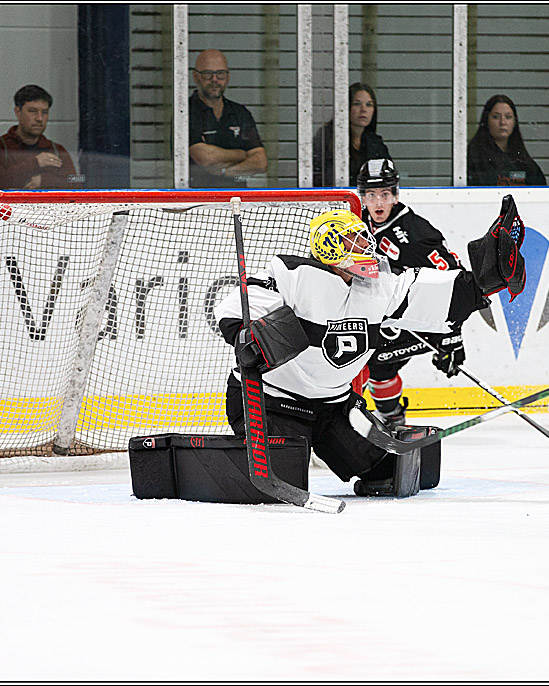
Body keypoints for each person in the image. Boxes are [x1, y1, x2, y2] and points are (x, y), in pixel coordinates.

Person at [213, 200, 527, 496]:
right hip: (270, 402)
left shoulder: (378, 287)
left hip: (334, 409)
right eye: (355, 240)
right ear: (330, 245)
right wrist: (249, 337)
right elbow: (233, 308)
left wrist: (484, 281)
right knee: (280, 481)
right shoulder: (291, 274)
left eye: (365, 238)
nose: (366, 245)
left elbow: (428, 294)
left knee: (391, 473)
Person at [356, 158, 466, 428]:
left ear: (395, 195)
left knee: (371, 360)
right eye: (371, 195)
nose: (378, 202)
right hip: (376, 316)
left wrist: (452, 336)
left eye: (384, 194)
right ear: (362, 197)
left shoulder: (415, 234)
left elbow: (457, 283)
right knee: (373, 365)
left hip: (414, 321)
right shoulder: (355, 221)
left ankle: (389, 420)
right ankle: (389, 417)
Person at [188, 49, 267, 188]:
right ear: (195, 77)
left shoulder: (239, 113)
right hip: (197, 197)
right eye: (207, 73)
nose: (214, 79)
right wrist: (242, 154)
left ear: (228, 77)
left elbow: (260, 162)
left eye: (220, 73)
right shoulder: (185, 113)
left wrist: (225, 172)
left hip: (236, 198)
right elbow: (205, 158)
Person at [0, 85, 80, 190]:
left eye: (44, 112)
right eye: (32, 111)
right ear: (18, 112)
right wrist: (35, 163)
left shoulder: (57, 150)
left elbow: (76, 183)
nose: (39, 118)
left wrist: (44, 181)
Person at [313, 83, 392, 187]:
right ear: (346, 107)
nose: (363, 109)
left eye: (369, 105)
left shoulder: (375, 143)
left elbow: (389, 177)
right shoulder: (327, 139)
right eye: (357, 104)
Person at [467, 94, 546, 187]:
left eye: (508, 117)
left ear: (514, 122)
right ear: (486, 120)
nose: (502, 122)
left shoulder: (524, 161)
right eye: (496, 117)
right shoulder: (474, 157)